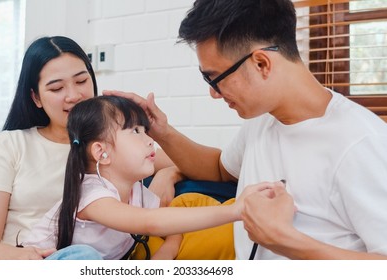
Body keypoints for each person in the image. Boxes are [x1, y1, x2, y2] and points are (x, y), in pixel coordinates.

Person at [104, 0, 387, 260]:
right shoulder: (263, 120)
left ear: (261, 63)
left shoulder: (359, 143)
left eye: (214, 79)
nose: (214, 94)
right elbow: (218, 169)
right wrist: (161, 131)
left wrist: (286, 241)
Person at [0, 36, 175, 260]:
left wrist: (168, 175)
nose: (74, 96)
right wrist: (11, 256)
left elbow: (189, 165)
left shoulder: (112, 147)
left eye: (81, 81)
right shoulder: (11, 144)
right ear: (35, 97)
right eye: (56, 88)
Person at [22, 95, 275, 260]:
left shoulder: (137, 193)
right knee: (84, 256)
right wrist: (237, 210)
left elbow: (168, 221)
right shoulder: (92, 193)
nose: (149, 139)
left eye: (146, 130)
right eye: (135, 131)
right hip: (44, 261)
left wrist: (170, 246)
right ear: (102, 152)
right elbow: (151, 222)